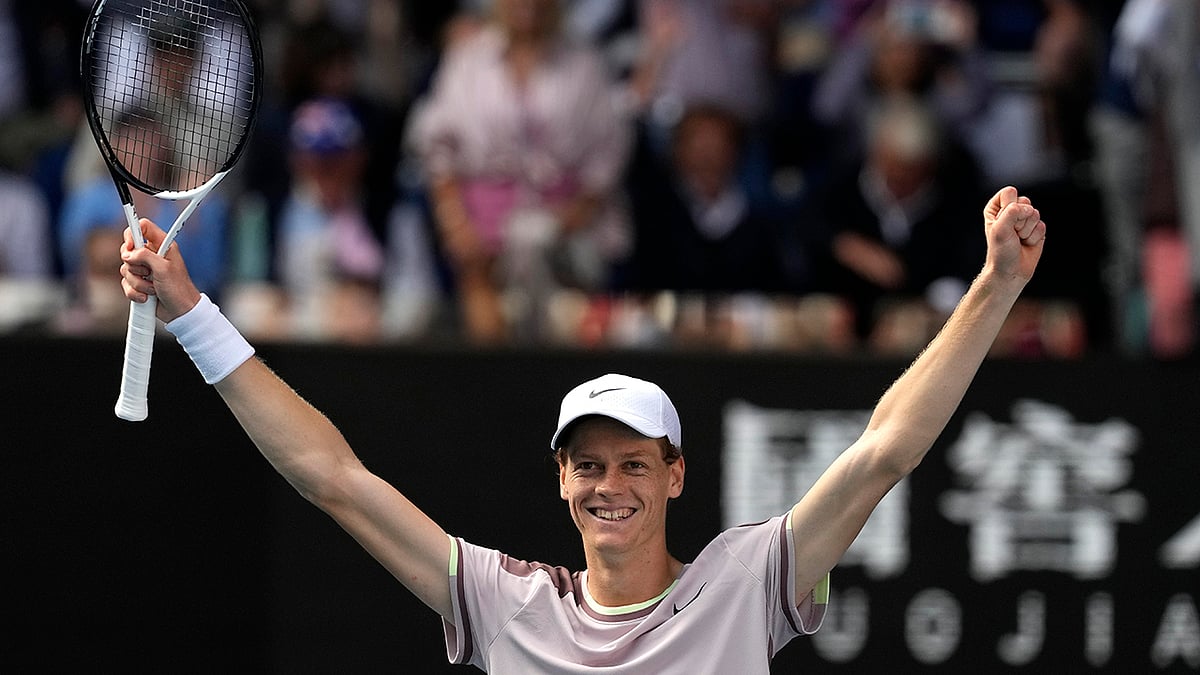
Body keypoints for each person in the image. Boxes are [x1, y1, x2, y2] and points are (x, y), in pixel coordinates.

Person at [117, 185, 1046, 671]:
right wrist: (192, 310)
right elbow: (331, 474)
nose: (611, 485)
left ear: (675, 475)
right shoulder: (510, 604)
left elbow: (886, 447)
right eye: (589, 464)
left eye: (634, 463)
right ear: (562, 480)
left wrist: (996, 286)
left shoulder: (746, 582)